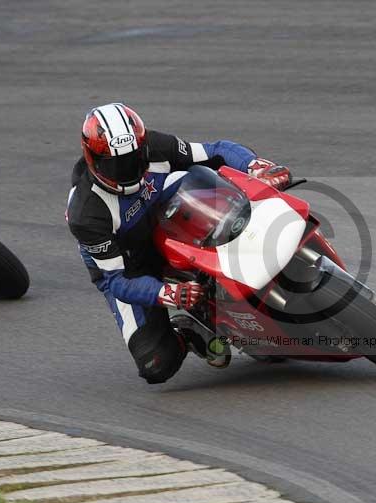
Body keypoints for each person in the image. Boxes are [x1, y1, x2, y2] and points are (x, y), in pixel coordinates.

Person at [66, 103, 291, 384]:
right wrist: (168, 293)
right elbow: (116, 280)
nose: (126, 170)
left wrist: (255, 166)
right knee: (156, 365)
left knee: (207, 184)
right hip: (130, 263)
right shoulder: (87, 212)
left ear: (142, 145)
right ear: (92, 158)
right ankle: (189, 332)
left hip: (167, 214)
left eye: (133, 158)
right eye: (114, 164)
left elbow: (215, 151)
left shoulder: (155, 145)